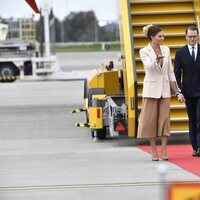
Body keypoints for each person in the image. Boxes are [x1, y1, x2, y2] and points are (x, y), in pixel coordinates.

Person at [137, 24, 184, 161]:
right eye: (160, 36)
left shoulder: (166, 50)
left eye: (163, 35)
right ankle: (153, 151)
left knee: (164, 121)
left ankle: (164, 149)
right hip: (151, 91)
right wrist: (156, 60)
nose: (163, 38)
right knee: (151, 122)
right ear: (152, 37)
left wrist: (177, 91)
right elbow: (149, 68)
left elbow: (170, 72)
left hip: (165, 91)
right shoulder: (144, 51)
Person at [174, 26, 200, 157]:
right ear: (185, 37)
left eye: (194, 36)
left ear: (198, 36)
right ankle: (195, 147)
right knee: (192, 120)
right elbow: (176, 75)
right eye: (190, 36)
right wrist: (179, 92)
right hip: (188, 92)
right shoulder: (180, 53)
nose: (192, 38)